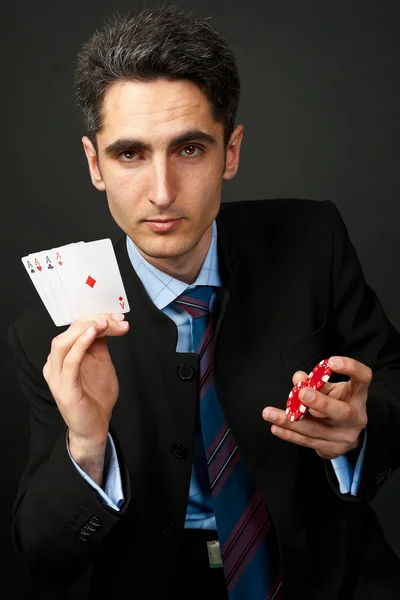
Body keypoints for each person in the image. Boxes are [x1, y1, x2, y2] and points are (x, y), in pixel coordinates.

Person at [8, 5, 400, 600]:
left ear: (231, 152)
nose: (162, 193)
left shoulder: (312, 240)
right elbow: (44, 557)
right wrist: (86, 447)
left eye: (189, 150)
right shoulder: (49, 331)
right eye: (130, 154)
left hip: (334, 574)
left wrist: (360, 430)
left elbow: (393, 381)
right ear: (95, 164)